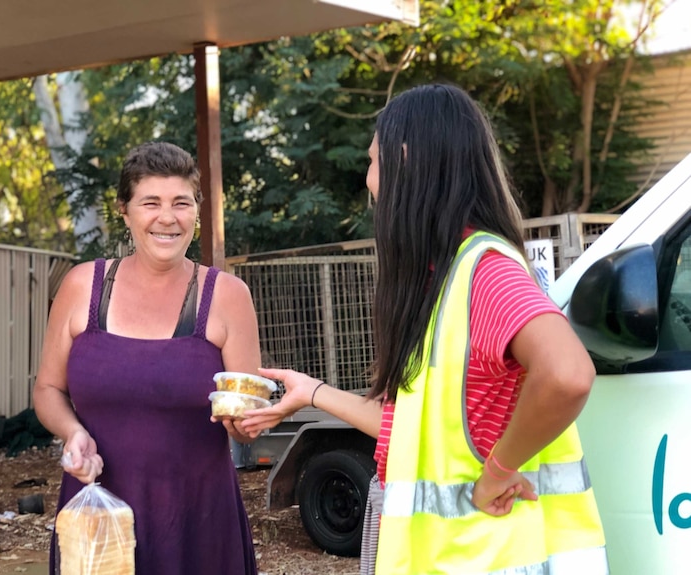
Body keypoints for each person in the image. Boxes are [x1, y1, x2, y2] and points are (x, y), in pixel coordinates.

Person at [242, 83, 608, 575]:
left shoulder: (485, 270)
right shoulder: (444, 279)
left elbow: (568, 374)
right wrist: (312, 393)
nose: (369, 181)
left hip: (484, 555)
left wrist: (496, 472)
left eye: (372, 162)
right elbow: (411, 433)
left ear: (406, 160)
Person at [33, 141, 261, 575]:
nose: (167, 217)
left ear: (197, 210)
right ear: (125, 210)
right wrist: (72, 432)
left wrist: (247, 423)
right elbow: (47, 388)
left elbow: (247, 421)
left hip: (199, 522)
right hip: (98, 519)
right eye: (150, 202)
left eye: (181, 202)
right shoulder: (84, 287)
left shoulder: (228, 297)